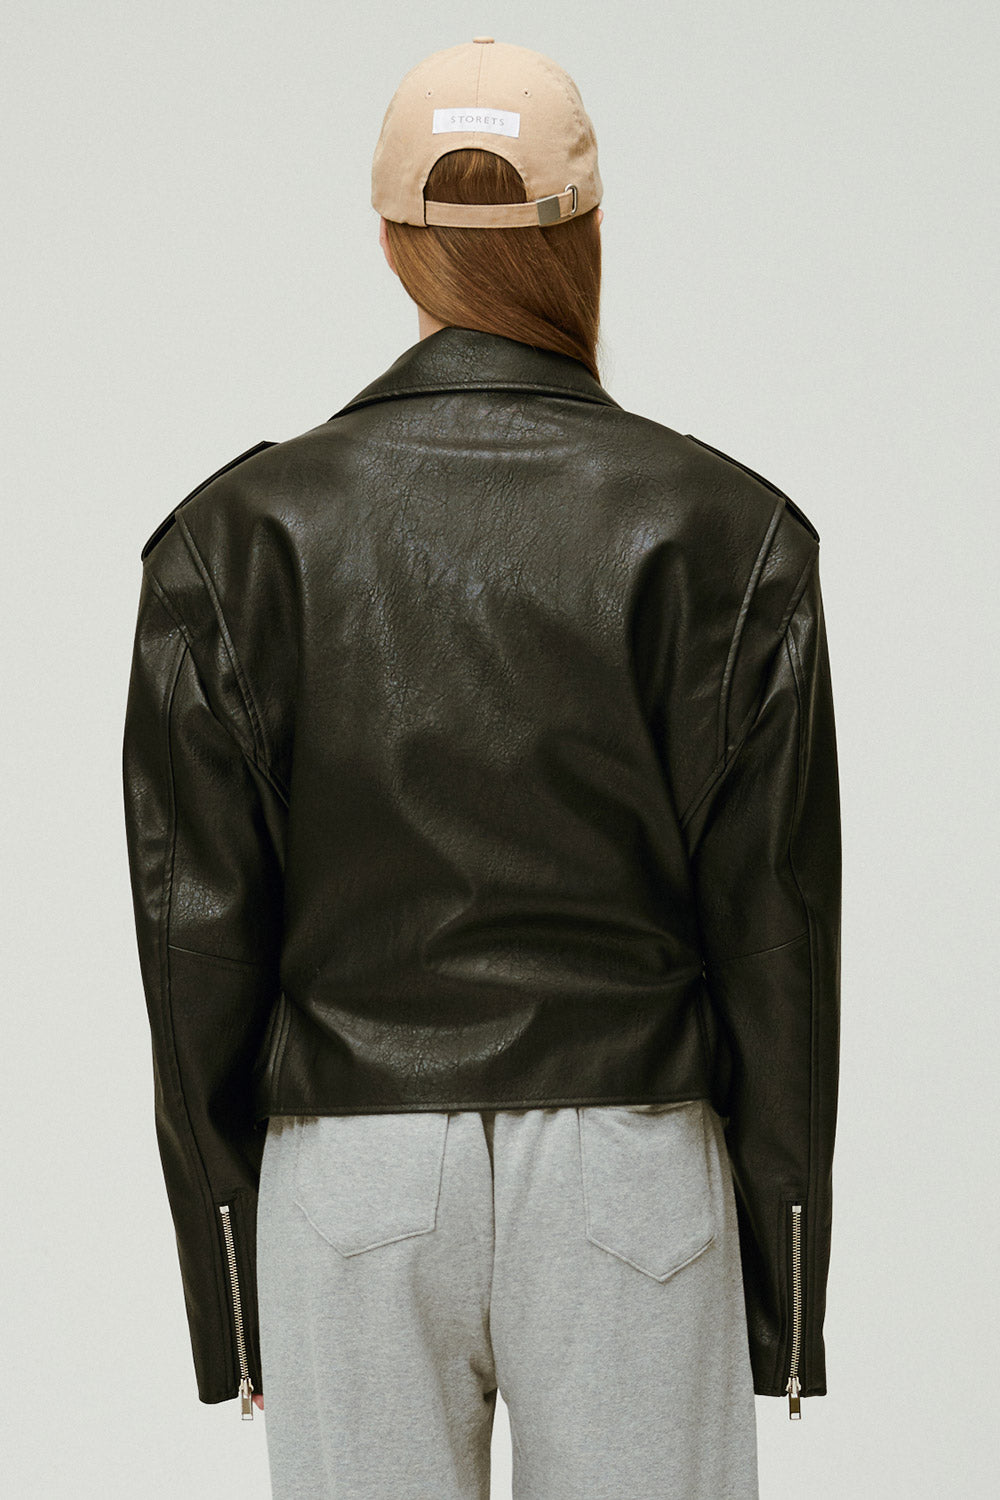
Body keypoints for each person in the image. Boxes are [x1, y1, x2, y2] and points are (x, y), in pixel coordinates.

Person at [121, 36, 841, 1500]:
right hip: (632, 1164)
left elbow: (196, 944)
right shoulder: (728, 531)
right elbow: (780, 940)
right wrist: (782, 1281)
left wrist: (232, 1272)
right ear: (587, 228)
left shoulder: (236, 539)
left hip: (351, 1174)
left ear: (394, 239)